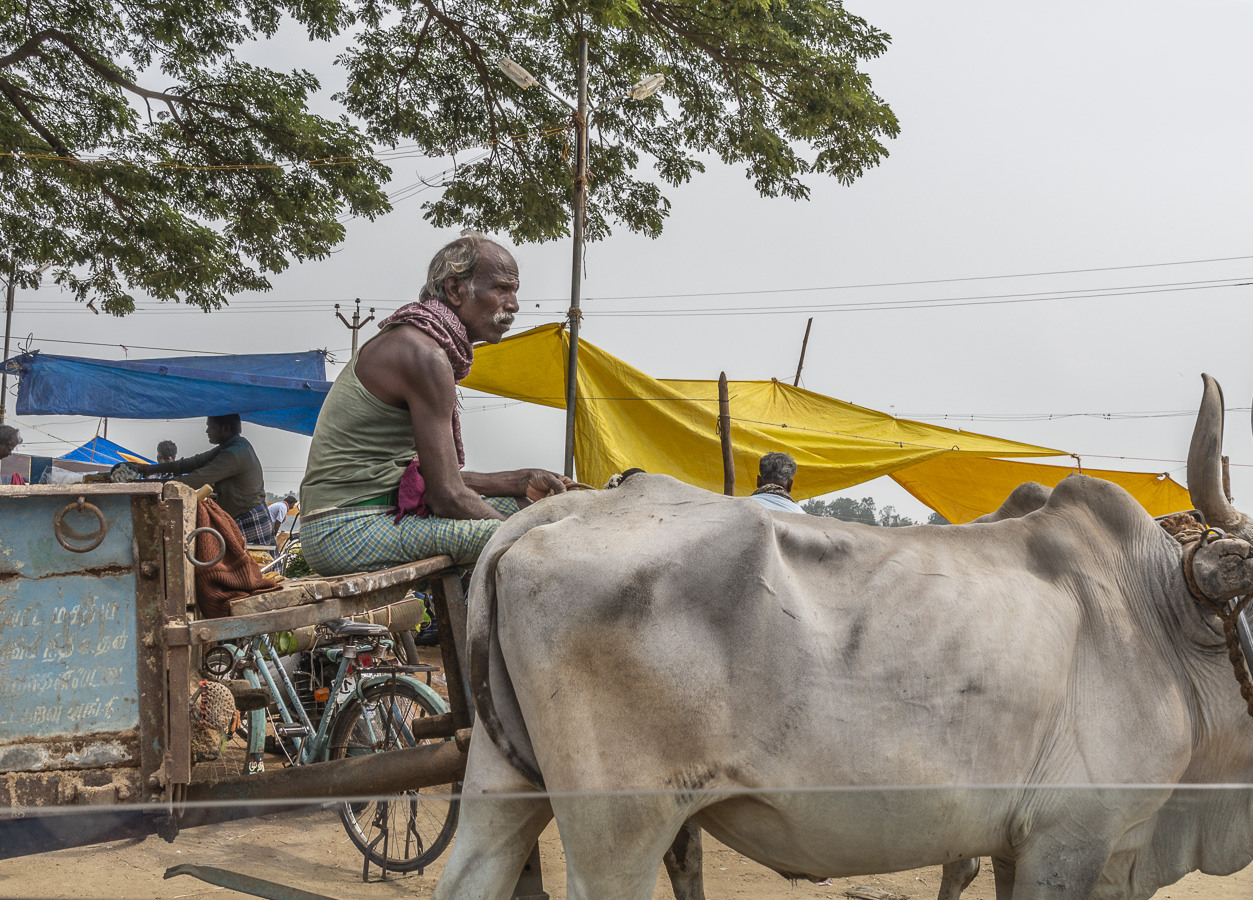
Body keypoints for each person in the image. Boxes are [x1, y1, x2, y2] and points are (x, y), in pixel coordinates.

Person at [299, 232, 569, 576]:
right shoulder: (423, 354)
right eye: (502, 289)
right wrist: (513, 532)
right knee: (528, 540)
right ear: (456, 289)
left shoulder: (421, 342)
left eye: (515, 291)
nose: (513, 304)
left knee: (530, 508)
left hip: (373, 513)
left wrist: (520, 482)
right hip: (344, 528)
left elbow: (437, 480)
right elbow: (446, 496)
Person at [137, 415, 271, 544]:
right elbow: (192, 463)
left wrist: (145, 485)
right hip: (238, 515)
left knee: (255, 564)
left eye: (210, 427)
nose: (207, 431)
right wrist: (148, 469)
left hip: (248, 518)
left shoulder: (233, 454)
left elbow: (194, 479)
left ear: (224, 428)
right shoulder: (230, 447)